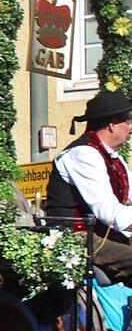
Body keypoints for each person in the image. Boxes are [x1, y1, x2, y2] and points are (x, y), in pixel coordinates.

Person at [46, 91, 132, 285]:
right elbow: (110, 213)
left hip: (100, 234)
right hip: (76, 237)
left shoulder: (113, 157)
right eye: (127, 121)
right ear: (112, 125)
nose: (131, 128)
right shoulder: (82, 154)